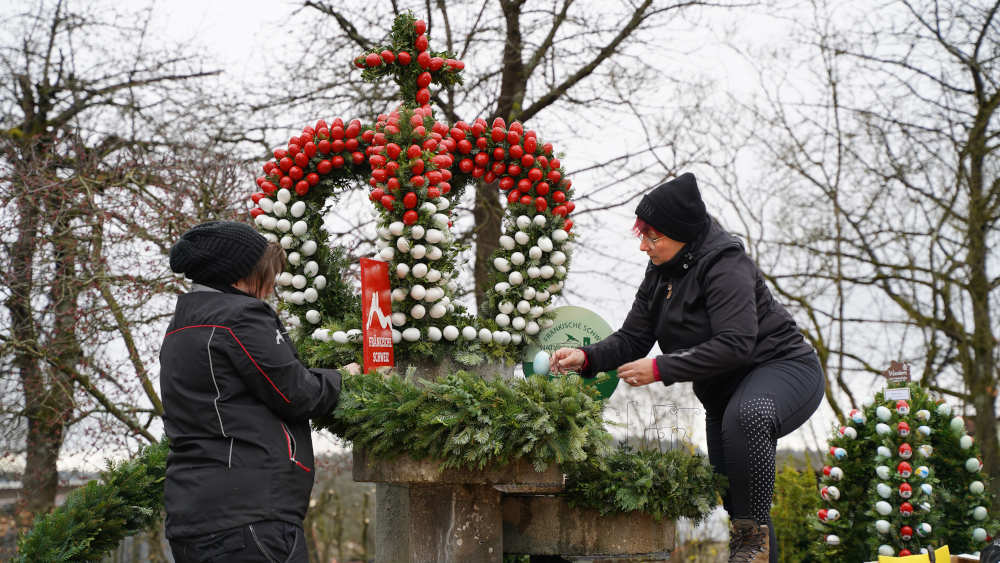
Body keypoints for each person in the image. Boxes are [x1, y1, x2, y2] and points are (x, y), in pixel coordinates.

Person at [550, 173, 824, 563]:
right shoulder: (660, 272)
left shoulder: (727, 266)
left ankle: (750, 545)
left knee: (751, 420)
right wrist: (587, 357)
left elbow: (736, 344)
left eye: (653, 237)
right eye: (641, 236)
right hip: (724, 399)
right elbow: (632, 338)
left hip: (783, 369)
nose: (644, 246)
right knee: (740, 503)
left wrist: (661, 368)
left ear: (682, 233)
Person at [159, 220, 360, 563]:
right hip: (249, 518)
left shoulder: (180, 326)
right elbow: (297, 393)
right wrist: (343, 377)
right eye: (265, 273)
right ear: (237, 273)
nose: (271, 284)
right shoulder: (240, 317)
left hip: (193, 516)